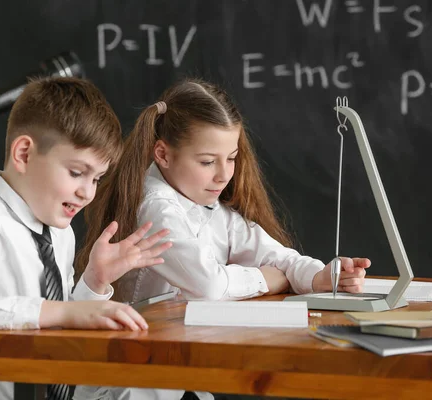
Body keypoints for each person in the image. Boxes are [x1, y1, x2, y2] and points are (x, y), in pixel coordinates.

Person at [73, 78, 370, 400]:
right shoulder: (156, 207)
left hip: (171, 370)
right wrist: (266, 280)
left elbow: (272, 252)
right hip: (130, 381)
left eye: (231, 158)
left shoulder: (206, 204)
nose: (224, 174)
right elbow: (208, 286)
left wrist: (318, 276)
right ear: (163, 154)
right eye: (207, 162)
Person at [0, 76, 172, 400]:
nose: (87, 192)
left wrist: (94, 281)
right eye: (77, 172)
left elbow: (58, 329)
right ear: (23, 153)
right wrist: (59, 312)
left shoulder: (58, 233)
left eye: (96, 178)